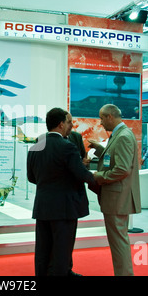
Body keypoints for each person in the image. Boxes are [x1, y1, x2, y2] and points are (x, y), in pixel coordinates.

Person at [27, 108, 96, 276]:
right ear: (61, 124)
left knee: (43, 249)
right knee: (61, 251)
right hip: (64, 208)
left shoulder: (35, 145)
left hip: (43, 206)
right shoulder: (68, 147)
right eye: (69, 122)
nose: (71, 125)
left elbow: (31, 177)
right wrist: (99, 179)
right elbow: (82, 175)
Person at [88, 104, 141, 276]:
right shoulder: (120, 134)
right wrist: (101, 149)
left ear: (110, 116)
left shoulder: (123, 136)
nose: (101, 123)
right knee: (119, 240)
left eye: (102, 118)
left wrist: (98, 176)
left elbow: (122, 169)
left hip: (117, 197)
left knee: (119, 242)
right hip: (118, 196)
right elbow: (116, 158)